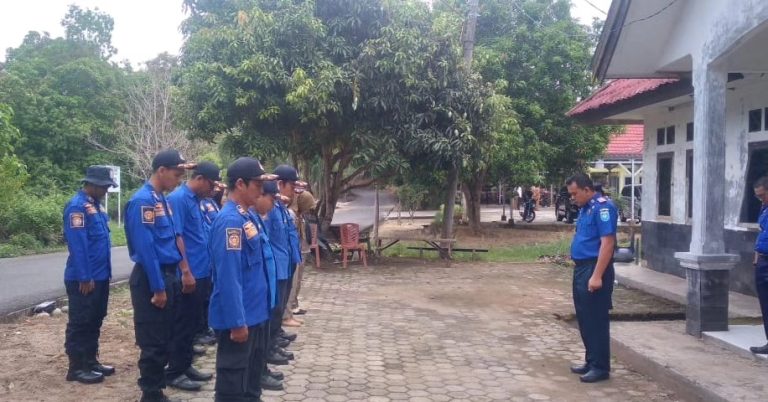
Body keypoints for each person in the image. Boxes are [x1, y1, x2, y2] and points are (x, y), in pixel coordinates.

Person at [125, 149, 197, 402]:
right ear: (161, 170)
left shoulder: (161, 200)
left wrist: (180, 273)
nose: (179, 180)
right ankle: (151, 393)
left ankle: (158, 390)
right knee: (153, 341)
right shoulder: (143, 201)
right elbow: (146, 249)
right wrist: (158, 287)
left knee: (167, 335)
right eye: (176, 174)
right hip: (151, 278)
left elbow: (173, 239)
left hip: (169, 274)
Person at [208, 157, 276, 402]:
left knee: (251, 380)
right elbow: (228, 277)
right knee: (233, 382)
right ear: (240, 184)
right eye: (257, 184)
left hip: (255, 313)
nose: (261, 190)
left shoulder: (247, 216)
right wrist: (237, 322)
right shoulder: (230, 222)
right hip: (240, 317)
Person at [165, 162, 223, 390]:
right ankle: (174, 372)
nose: (213, 189)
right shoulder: (179, 199)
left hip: (201, 270)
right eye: (211, 184)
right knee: (181, 324)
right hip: (189, 273)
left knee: (191, 324)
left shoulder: (196, 200)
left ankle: (185, 364)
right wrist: (185, 271)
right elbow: (176, 236)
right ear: (199, 179)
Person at [63, 165, 117, 384]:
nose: (106, 190)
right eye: (103, 187)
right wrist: (85, 276)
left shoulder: (95, 205)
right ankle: (76, 368)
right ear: (91, 184)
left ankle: (91, 361)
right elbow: (78, 244)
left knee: (95, 320)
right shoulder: (77, 207)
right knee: (80, 322)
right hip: (84, 279)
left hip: (100, 275)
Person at [566, 173, 617, 383]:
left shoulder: (603, 208)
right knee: (585, 318)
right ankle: (591, 360)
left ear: (587, 190)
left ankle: (600, 367)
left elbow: (608, 243)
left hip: (595, 269)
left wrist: (596, 276)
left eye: (575, 193)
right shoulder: (586, 208)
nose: (572, 198)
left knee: (596, 319)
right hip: (581, 269)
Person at [254, 180, 285, 391]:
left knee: (261, 338)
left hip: (264, 287)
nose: (273, 204)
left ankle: (260, 372)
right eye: (271, 198)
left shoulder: (254, 218)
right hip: (253, 293)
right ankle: (256, 375)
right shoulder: (234, 220)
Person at [285, 186, 316, 321]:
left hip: (300, 250)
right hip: (295, 252)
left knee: (297, 281)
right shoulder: (291, 214)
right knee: (293, 282)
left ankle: (293, 305)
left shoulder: (299, 214)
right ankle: (289, 311)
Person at [750, 176, 768, 354]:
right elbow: (762, 233)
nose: (760, 199)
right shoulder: (764, 209)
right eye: (758, 196)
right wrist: (757, 258)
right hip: (763, 261)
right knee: (765, 304)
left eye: (762, 195)